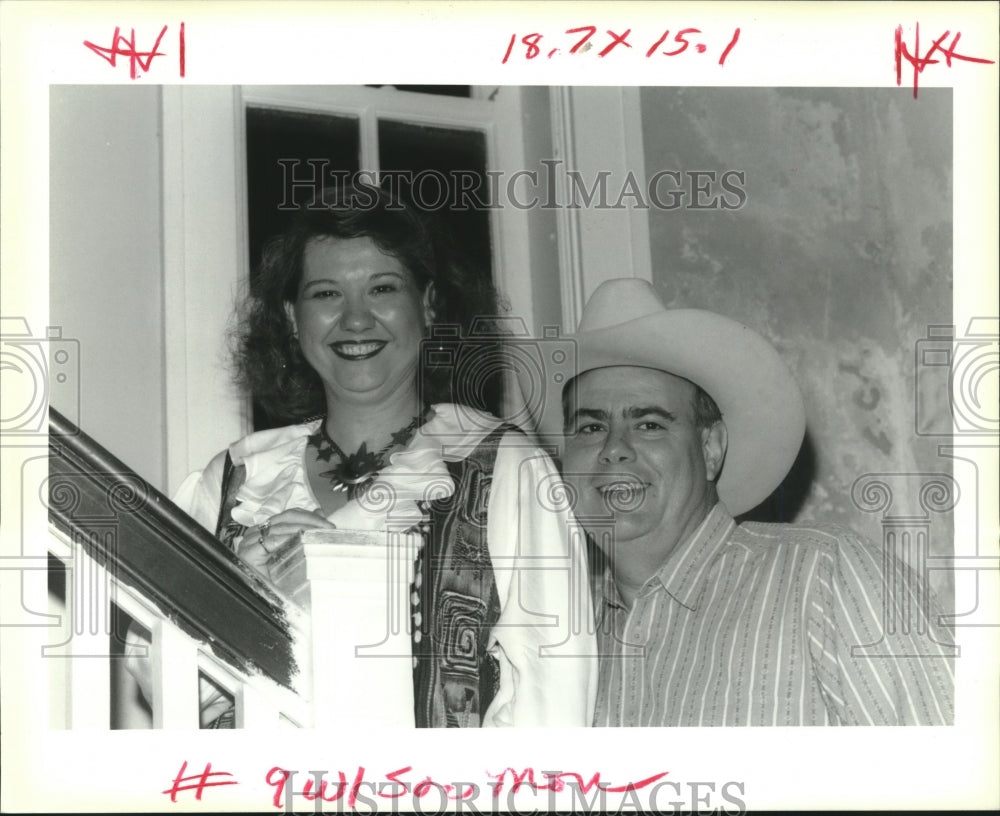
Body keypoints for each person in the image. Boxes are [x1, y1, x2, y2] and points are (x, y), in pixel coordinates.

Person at [127, 184, 597, 728]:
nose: (355, 319)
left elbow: (555, 711)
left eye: (382, 289)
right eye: (326, 294)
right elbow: (169, 694)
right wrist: (238, 594)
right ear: (291, 318)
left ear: (427, 304)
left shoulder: (507, 470)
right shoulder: (235, 478)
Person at [550, 277, 954, 726]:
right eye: (589, 428)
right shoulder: (555, 635)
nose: (613, 448)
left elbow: (954, 775)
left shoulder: (825, 578)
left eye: (649, 424)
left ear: (711, 448)